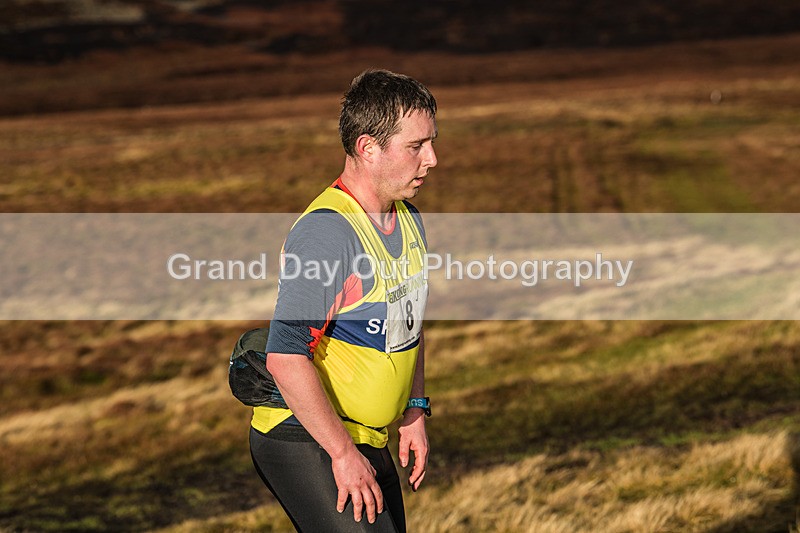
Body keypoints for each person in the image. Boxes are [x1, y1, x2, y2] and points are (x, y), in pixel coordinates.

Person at [249, 69, 438, 532]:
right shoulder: (328, 233)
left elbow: (408, 326)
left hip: (364, 434)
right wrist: (340, 452)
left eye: (431, 142)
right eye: (416, 146)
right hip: (304, 436)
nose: (432, 159)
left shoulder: (408, 220)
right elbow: (285, 355)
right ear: (368, 148)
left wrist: (414, 409)